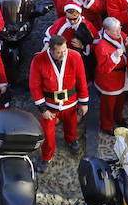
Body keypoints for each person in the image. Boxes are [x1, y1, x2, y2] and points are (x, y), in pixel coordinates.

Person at [28, 35, 89, 171]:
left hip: (70, 103)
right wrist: (43, 109)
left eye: (64, 50)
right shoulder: (38, 60)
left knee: (71, 125)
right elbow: (34, 86)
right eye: (59, 52)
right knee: (48, 135)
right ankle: (46, 157)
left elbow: (81, 79)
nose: (63, 54)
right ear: (50, 50)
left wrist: (83, 102)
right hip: (50, 106)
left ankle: (71, 140)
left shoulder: (75, 56)